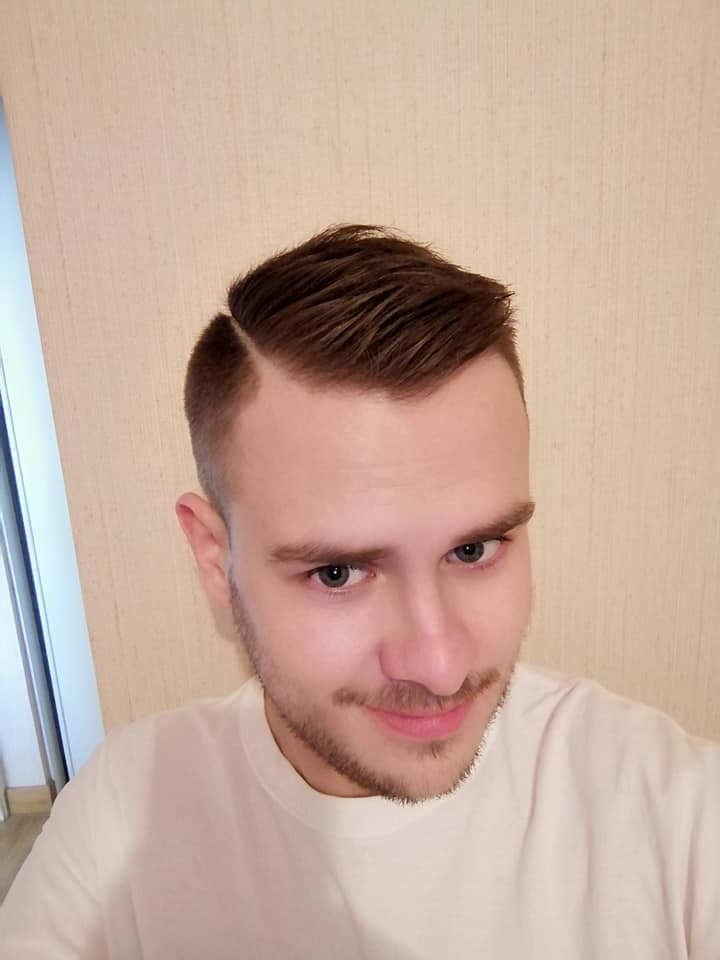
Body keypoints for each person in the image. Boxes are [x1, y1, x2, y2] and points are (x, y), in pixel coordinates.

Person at [1, 225, 718, 958]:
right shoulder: (123, 817)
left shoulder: (671, 809)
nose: (439, 667)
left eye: (473, 550)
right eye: (337, 573)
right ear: (216, 559)